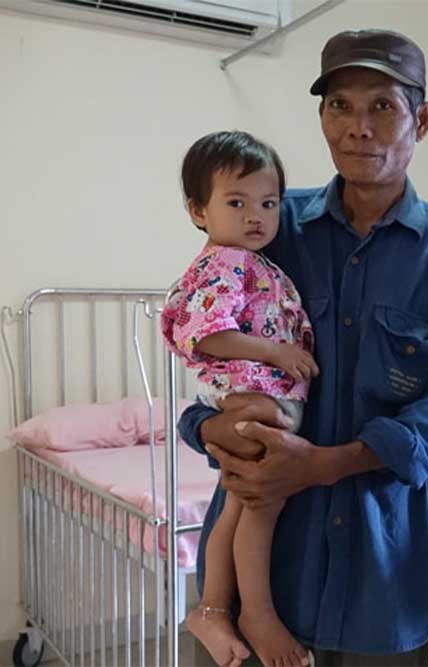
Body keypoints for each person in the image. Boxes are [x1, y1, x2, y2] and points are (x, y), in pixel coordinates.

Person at [177, 29, 428, 667]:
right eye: (339, 106)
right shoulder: (267, 226)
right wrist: (207, 426)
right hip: (261, 567)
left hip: (382, 578)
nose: (359, 127)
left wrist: (322, 464)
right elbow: (204, 343)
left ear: (423, 118)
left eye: (382, 105)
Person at [162, 131, 318, 667]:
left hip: (261, 390)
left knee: (238, 500)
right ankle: (256, 611)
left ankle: (210, 607)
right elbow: (208, 334)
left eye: (268, 203)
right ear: (197, 210)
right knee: (260, 501)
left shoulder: (247, 260)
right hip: (253, 392)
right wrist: (275, 351)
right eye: (237, 202)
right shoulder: (223, 263)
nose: (256, 215)